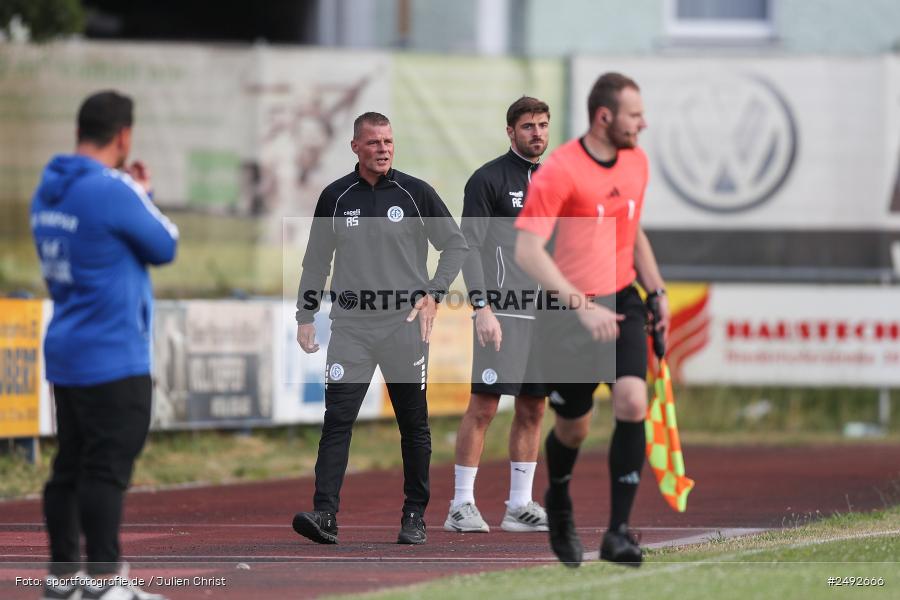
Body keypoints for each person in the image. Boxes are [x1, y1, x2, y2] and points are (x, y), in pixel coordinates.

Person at [514, 73, 670, 567]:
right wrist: (580, 306)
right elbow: (527, 251)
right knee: (574, 428)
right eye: (634, 115)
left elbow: (633, 229)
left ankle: (618, 534)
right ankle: (558, 497)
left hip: (623, 298)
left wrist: (657, 288)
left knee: (631, 399)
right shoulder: (559, 170)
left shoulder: (638, 162)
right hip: (566, 312)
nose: (643, 123)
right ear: (605, 117)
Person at [292, 112, 467, 545]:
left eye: (388, 141)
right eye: (373, 142)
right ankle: (325, 515)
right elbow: (316, 261)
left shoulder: (416, 193)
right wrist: (304, 316)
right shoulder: (335, 197)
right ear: (355, 147)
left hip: (403, 327)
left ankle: (414, 515)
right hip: (350, 328)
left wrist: (434, 293)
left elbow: (456, 243)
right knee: (338, 421)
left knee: (413, 424)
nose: (383, 148)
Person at [31, 91, 178, 599]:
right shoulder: (115, 190)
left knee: (69, 466)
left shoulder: (47, 191)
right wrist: (145, 192)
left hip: (67, 349)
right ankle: (103, 584)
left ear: (79, 131)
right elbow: (165, 245)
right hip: (114, 354)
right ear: (123, 137)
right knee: (104, 470)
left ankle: (63, 579)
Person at [444, 97, 551, 534]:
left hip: (546, 316)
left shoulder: (556, 180)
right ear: (510, 132)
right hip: (502, 312)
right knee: (484, 406)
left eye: (543, 125)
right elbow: (469, 247)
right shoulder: (487, 179)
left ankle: (519, 505)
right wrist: (482, 307)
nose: (538, 133)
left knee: (533, 408)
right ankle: (460, 506)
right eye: (528, 126)